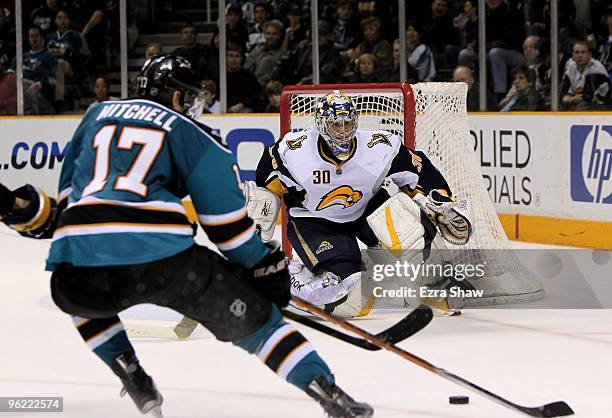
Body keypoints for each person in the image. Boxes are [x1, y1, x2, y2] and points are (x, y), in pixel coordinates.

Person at [0, 55, 373, 418]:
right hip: (167, 263)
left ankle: (131, 373)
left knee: (80, 294)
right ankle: (331, 395)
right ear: (175, 96)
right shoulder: (192, 132)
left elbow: (67, 210)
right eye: (190, 96)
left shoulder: (95, 115)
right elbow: (229, 233)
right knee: (260, 326)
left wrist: (25, 209)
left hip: (77, 259)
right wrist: (265, 266)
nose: (194, 105)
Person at [248, 91, 472, 317]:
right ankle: (291, 279)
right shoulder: (293, 152)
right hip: (314, 221)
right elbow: (266, 189)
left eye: (348, 123)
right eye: (336, 124)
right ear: (322, 125)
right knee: (352, 301)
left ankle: (429, 284)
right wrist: (256, 231)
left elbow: (419, 172)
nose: (344, 131)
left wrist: (441, 203)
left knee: (410, 228)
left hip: (366, 210)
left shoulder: (380, 147)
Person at [561, 40, 611, 110]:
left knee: (582, 106)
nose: (580, 55)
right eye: (577, 52)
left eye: (583, 52)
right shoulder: (571, 67)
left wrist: (570, 99)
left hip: (602, 104)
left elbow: (588, 97)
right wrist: (568, 98)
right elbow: (563, 93)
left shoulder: (596, 69)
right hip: (582, 101)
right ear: (573, 55)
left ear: (589, 55)